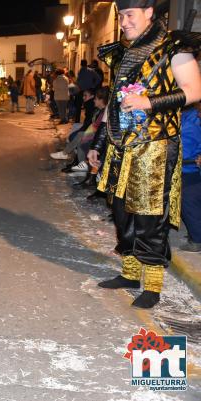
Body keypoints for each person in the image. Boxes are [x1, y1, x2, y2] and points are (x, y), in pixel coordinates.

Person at [89, 0, 201, 308]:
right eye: (121, 15)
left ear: (150, 12)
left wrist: (148, 102)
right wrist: (99, 146)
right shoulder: (122, 53)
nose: (123, 22)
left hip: (156, 146)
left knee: (150, 218)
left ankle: (152, 286)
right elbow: (113, 104)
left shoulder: (174, 46)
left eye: (129, 15)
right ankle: (129, 273)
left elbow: (194, 90)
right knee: (123, 212)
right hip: (120, 145)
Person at [180, 103, 201, 252]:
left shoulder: (192, 119)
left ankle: (197, 239)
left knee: (187, 197)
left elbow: (186, 148)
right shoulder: (191, 115)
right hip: (190, 166)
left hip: (189, 169)